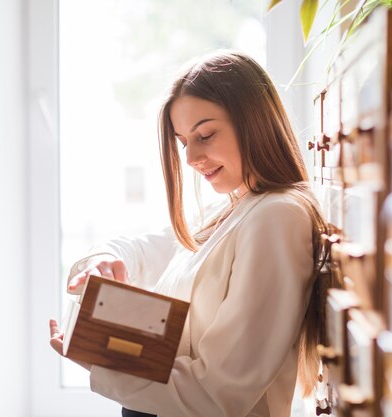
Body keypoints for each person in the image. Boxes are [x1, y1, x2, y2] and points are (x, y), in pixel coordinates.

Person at [49, 50, 328, 417]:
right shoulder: (234, 208)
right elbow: (143, 249)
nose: (191, 158)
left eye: (206, 135)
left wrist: (100, 363)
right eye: (183, 142)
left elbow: (218, 392)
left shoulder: (276, 218)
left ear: (255, 122)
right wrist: (101, 262)